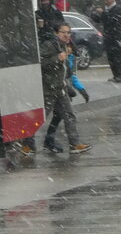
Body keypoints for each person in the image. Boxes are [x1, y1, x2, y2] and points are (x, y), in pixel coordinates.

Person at [22, 23, 91, 155]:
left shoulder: (64, 46)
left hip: (60, 89)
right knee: (40, 118)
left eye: (68, 32)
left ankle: (74, 144)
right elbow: (38, 62)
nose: (66, 35)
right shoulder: (50, 45)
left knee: (69, 116)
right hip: (49, 89)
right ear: (56, 33)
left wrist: (71, 86)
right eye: (63, 32)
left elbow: (66, 69)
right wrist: (56, 59)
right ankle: (27, 144)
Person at [95, 0, 121, 83]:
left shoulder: (118, 9)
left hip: (116, 37)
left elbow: (112, 20)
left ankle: (120, 75)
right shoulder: (107, 9)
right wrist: (95, 15)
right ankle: (115, 75)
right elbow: (102, 20)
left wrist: (103, 13)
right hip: (108, 36)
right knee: (110, 57)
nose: (106, 1)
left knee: (117, 57)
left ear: (112, 0)